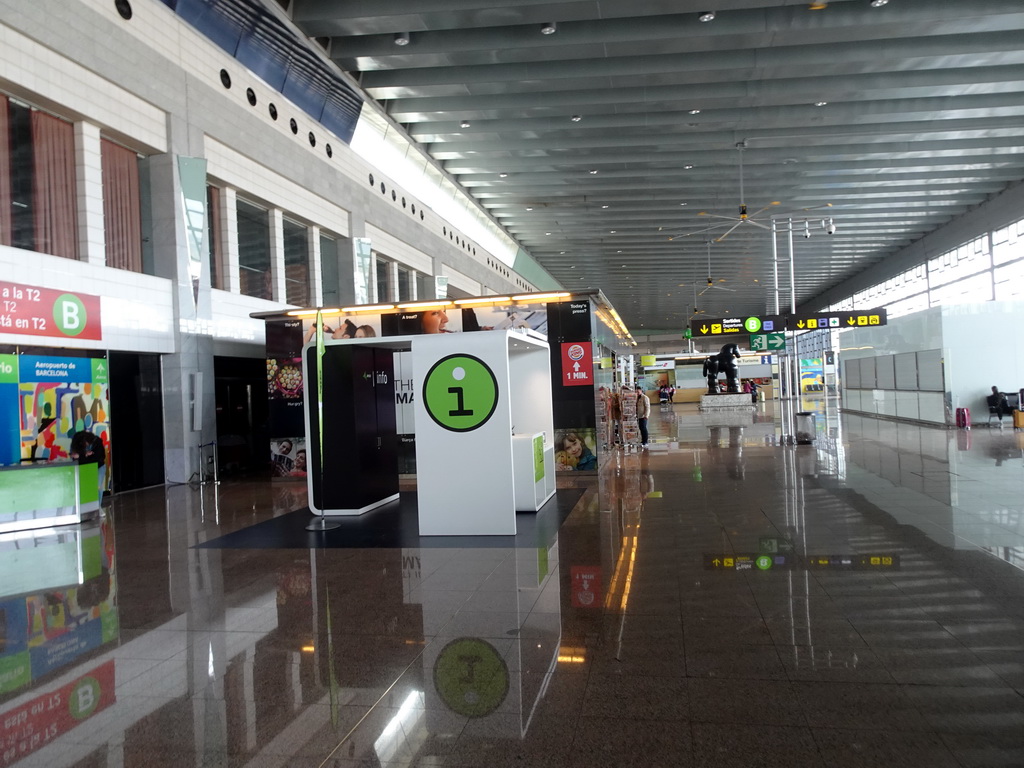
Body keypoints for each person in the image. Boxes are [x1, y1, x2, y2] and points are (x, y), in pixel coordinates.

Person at [69, 430, 106, 501]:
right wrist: (85, 455)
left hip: (98, 467)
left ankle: (97, 508)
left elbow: (99, 459)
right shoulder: (78, 444)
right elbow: (76, 459)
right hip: (85, 469)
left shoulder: (97, 442)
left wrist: (82, 456)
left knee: (97, 488)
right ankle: (90, 507)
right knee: (87, 489)